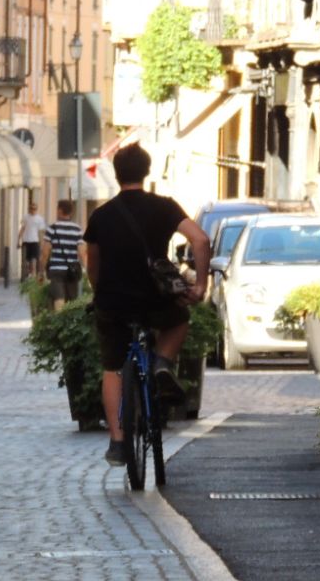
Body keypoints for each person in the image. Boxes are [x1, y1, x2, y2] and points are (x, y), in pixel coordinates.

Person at [82, 143, 210, 466]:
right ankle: (163, 363)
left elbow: (92, 263)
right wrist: (201, 284)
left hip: (113, 301)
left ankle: (117, 441)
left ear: (116, 173)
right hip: (155, 297)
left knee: (112, 368)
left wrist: (98, 293)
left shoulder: (102, 215)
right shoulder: (164, 207)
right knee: (178, 318)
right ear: (147, 170)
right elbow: (201, 240)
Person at [38, 200, 84, 312]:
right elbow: (82, 252)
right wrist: (84, 268)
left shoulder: (52, 229)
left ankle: (59, 323)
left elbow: (45, 252)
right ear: (71, 212)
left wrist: (41, 271)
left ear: (59, 210)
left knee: (59, 298)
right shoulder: (77, 229)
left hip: (56, 269)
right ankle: (69, 326)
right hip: (72, 270)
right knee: (72, 301)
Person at [17, 202, 46, 279]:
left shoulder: (39, 219)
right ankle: (25, 274)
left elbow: (40, 232)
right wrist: (18, 239)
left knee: (34, 259)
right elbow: (22, 228)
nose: (33, 210)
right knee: (25, 259)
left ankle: (33, 275)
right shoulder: (25, 217)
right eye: (31, 208)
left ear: (36, 209)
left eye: (34, 209)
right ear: (29, 209)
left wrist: (41, 243)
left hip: (35, 241)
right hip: (26, 240)